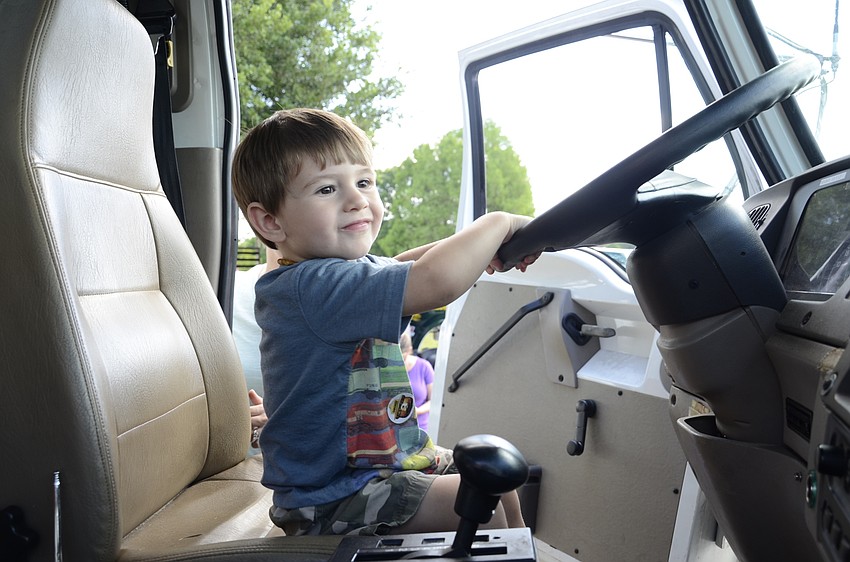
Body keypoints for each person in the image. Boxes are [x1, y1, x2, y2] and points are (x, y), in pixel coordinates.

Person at [231, 108, 539, 537]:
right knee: (486, 508)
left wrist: (486, 247)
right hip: (332, 495)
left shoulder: (332, 274)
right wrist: (498, 223)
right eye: (326, 189)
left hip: (378, 464)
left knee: (504, 490)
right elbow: (435, 280)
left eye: (363, 182)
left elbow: (401, 264)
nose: (356, 199)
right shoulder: (315, 283)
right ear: (270, 221)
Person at [400, 331, 434, 432]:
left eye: (402, 356)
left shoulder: (424, 366)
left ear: (410, 350)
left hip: (420, 427)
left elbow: (433, 401)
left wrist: (416, 411)